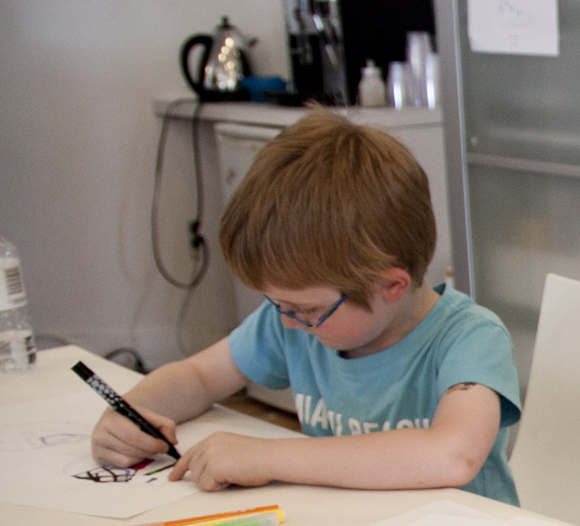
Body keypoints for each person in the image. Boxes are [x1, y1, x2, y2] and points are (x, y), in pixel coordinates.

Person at [89, 110, 521, 504]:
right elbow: (199, 377)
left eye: (306, 310)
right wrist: (131, 413)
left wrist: (270, 457)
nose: (286, 322)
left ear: (391, 285)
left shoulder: (470, 337)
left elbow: (452, 456)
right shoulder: (296, 321)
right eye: (276, 302)